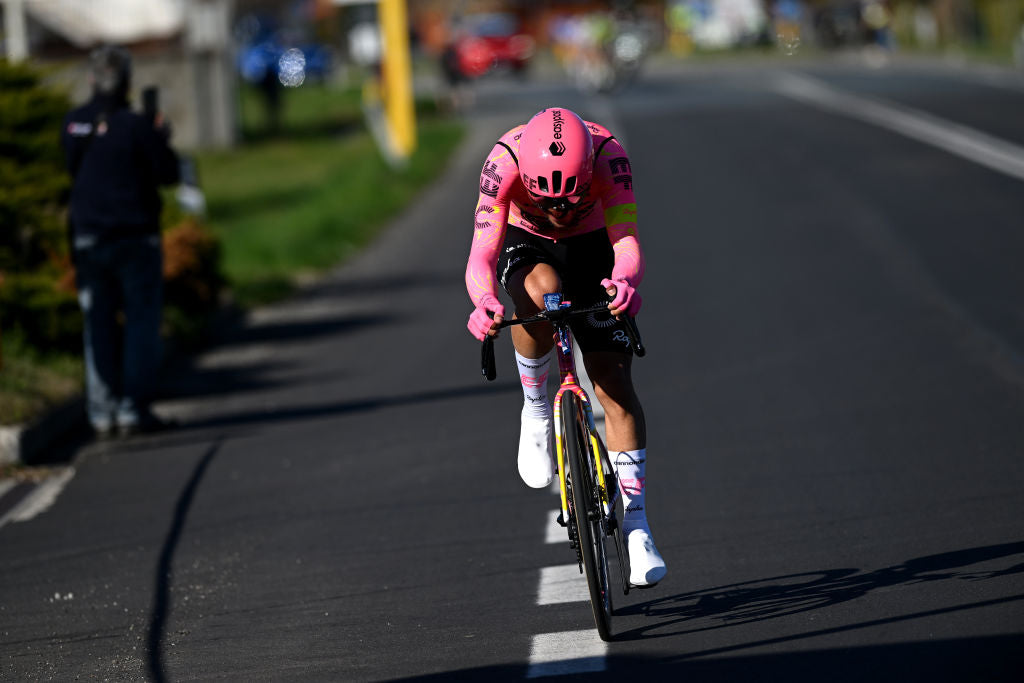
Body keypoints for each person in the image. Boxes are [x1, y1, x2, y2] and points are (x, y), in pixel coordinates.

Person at [464, 107, 666, 587]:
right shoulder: (503, 160)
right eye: (547, 200)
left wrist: (623, 282)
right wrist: (484, 299)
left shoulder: (609, 156)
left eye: (570, 199)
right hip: (528, 245)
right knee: (539, 290)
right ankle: (535, 409)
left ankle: (637, 524)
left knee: (613, 385)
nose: (559, 211)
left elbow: (626, 241)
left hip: (594, 245)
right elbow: (481, 254)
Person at [61, 46, 180, 437]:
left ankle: (101, 411)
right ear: (128, 81)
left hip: (88, 238)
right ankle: (133, 409)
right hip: (135, 236)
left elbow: (69, 167)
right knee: (140, 323)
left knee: (97, 324)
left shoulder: (73, 123)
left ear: (92, 78)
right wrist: (161, 137)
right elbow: (167, 173)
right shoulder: (137, 126)